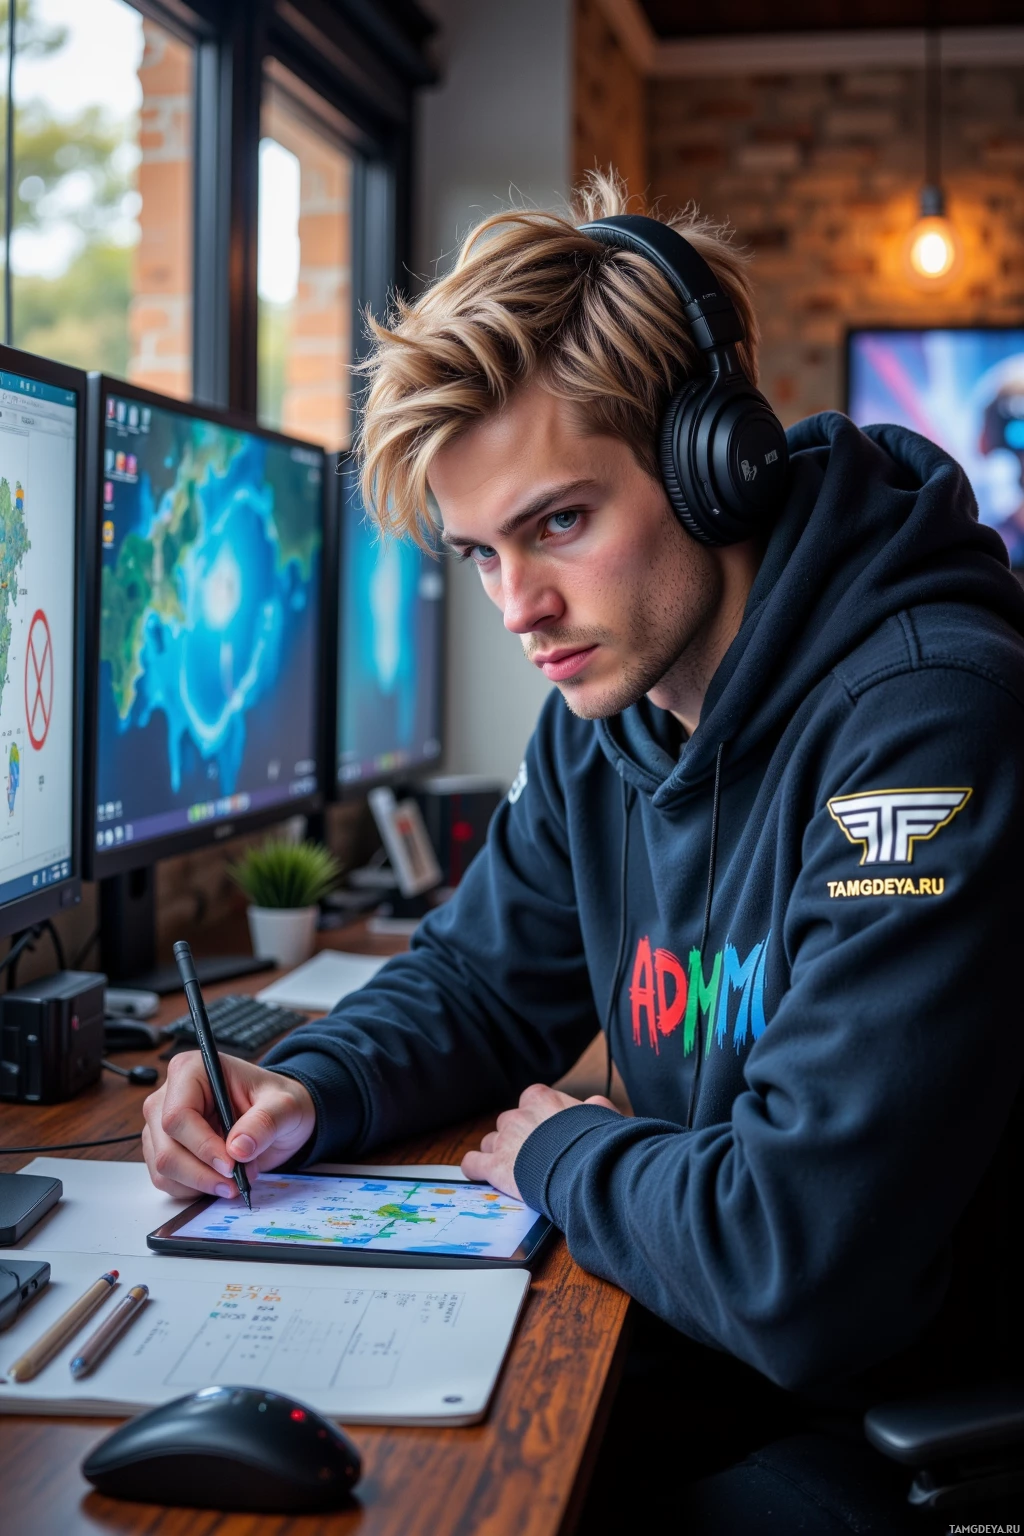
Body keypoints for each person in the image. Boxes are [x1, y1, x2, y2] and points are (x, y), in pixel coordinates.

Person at [142, 173, 1024, 1533]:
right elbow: (484, 984)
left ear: (714, 465)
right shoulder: (608, 714)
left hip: (892, 1422)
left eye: (558, 523)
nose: (521, 607)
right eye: (481, 554)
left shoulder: (930, 721)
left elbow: (800, 1261)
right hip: (709, 1341)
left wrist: (563, 1152)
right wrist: (305, 1086)